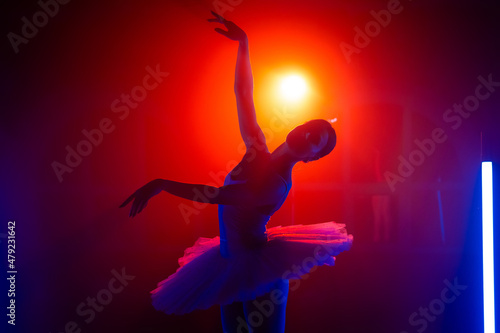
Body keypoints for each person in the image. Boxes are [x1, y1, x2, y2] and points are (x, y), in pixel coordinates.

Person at [120, 11, 352, 333]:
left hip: (256, 271)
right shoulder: (257, 148)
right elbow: (243, 95)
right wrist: (243, 44)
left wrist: (161, 183)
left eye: (317, 141)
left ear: (312, 158)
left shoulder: (275, 183)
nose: (309, 135)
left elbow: (217, 195)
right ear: (300, 124)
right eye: (312, 128)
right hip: (228, 263)